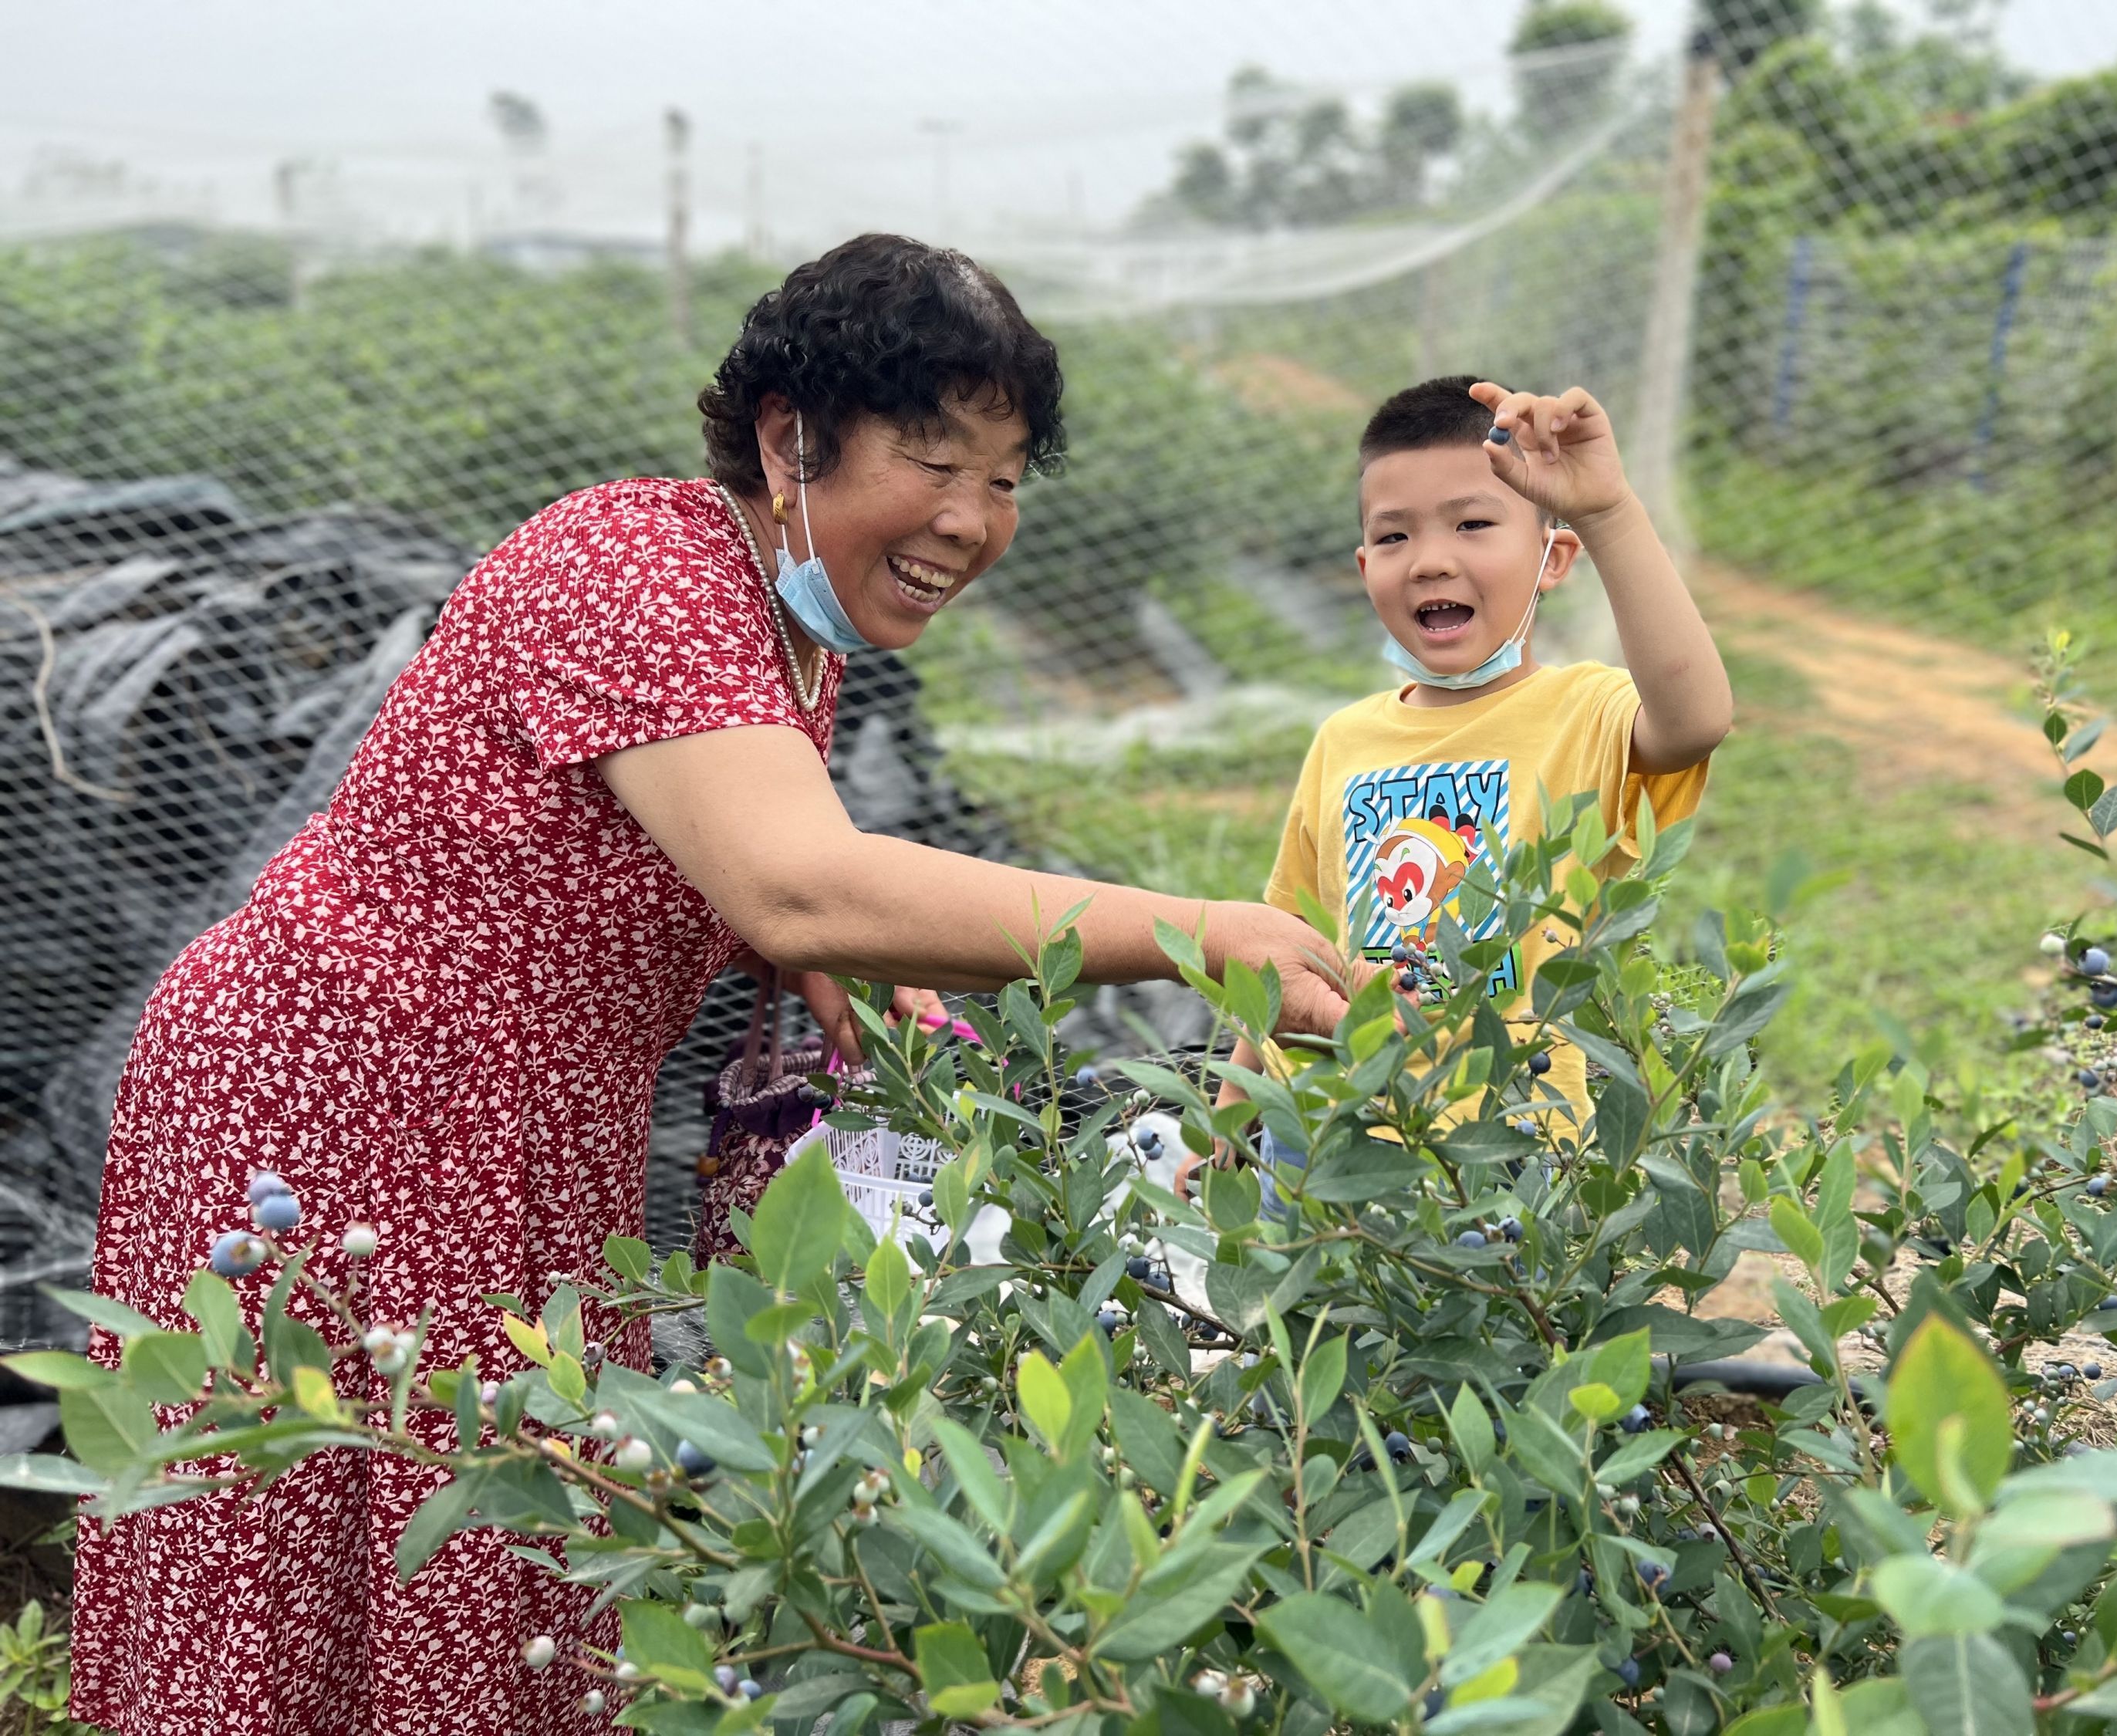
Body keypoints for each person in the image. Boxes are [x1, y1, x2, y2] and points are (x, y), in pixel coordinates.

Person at [69, 233, 1348, 1736]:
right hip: (345, 1096)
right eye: (934, 460)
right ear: (790, 436)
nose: (970, 519)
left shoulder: (789, 622)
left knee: (490, 1535)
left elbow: (717, 864)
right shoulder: (641, 569)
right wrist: (1205, 934)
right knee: (345, 1537)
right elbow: (796, 876)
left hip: (518, 1123)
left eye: (1004, 480)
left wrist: (815, 957)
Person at [1214, 373, 1730, 1154]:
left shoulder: (1585, 714)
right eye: (1394, 538)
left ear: (1554, 558)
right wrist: (1227, 1116)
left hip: (1506, 1138)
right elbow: (1290, 943)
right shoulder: (1343, 739)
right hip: (1320, 1134)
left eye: (1473, 524)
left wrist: (1607, 511)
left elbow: (1697, 720)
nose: (1429, 561)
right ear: (1363, 567)